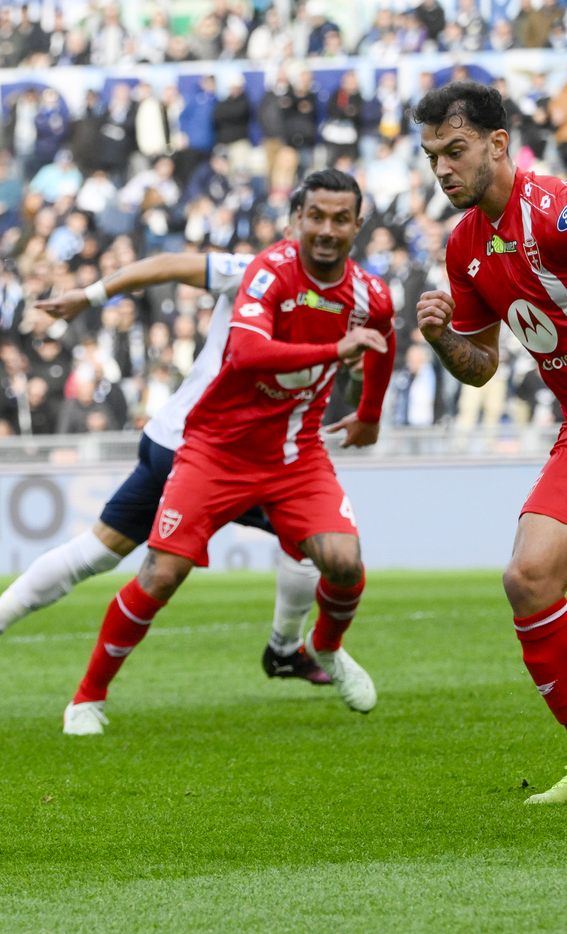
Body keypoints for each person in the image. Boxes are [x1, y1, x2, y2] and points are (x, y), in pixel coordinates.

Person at [0, 200, 330, 713]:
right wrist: (94, 294)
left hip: (175, 439)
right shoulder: (254, 272)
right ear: (290, 228)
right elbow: (165, 264)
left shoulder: (327, 294)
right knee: (310, 541)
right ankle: (281, 649)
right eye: (308, 222)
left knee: (98, 550)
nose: (318, 236)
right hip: (207, 450)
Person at [60, 169, 395, 736]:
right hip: (215, 449)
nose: (328, 230)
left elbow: (382, 340)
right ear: (298, 220)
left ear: (358, 225)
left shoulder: (370, 294)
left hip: (295, 452)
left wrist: (369, 415)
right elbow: (244, 352)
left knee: (344, 562)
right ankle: (86, 698)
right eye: (317, 216)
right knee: (163, 574)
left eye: (341, 219)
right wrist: (337, 348)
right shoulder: (268, 272)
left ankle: (327, 648)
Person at [413, 80, 567, 804]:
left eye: (455, 150)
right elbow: (481, 369)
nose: (442, 168)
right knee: (528, 576)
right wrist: (443, 339)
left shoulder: (555, 211)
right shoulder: (465, 245)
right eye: (431, 156)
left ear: (497, 145)